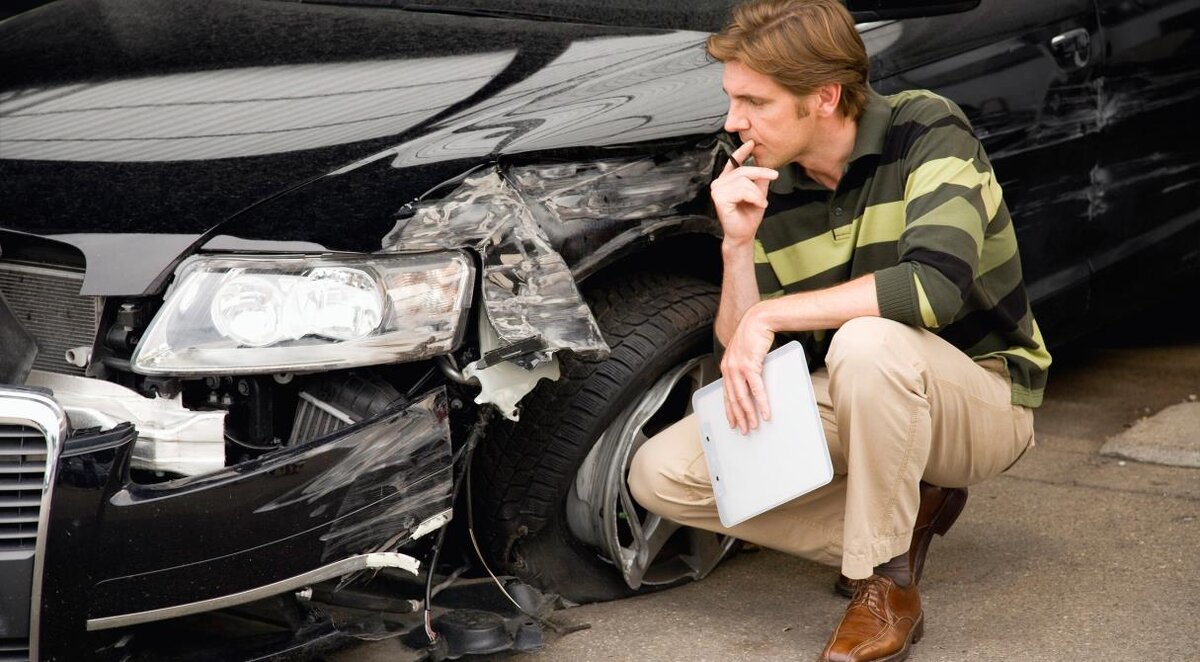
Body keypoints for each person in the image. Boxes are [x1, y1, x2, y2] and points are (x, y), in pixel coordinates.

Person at [627, 1, 1052, 660]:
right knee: (660, 476)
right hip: (863, 390)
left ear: (824, 97)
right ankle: (897, 522)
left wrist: (772, 314)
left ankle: (887, 587)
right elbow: (741, 365)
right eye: (732, 99)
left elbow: (934, 288)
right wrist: (737, 248)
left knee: (866, 339)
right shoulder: (758, 173)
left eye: (754, 102)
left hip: (983, 398)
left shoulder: (928, 129)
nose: (732, 120)